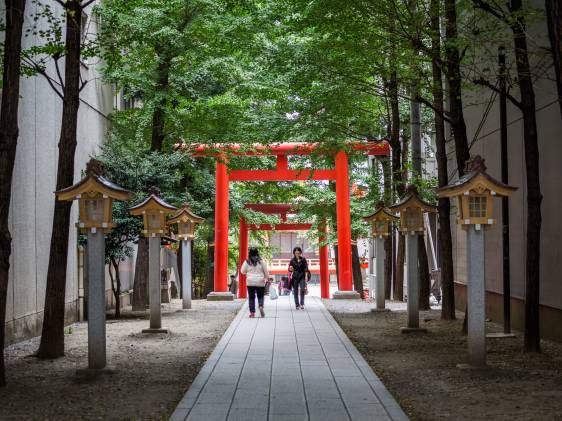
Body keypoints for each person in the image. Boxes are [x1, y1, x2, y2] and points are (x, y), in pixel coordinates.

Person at [240, 247, 269, 318]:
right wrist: (267, 278)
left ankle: (252, 313)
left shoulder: (247, 262)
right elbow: (266, 271)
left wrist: (248, 272)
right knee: (260, 296)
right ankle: (261, 306)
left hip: (250, 282)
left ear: (249, 253)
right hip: (260, 281)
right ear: (257, 253)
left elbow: (242, 271)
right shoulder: (261, 261)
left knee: (251, 297)